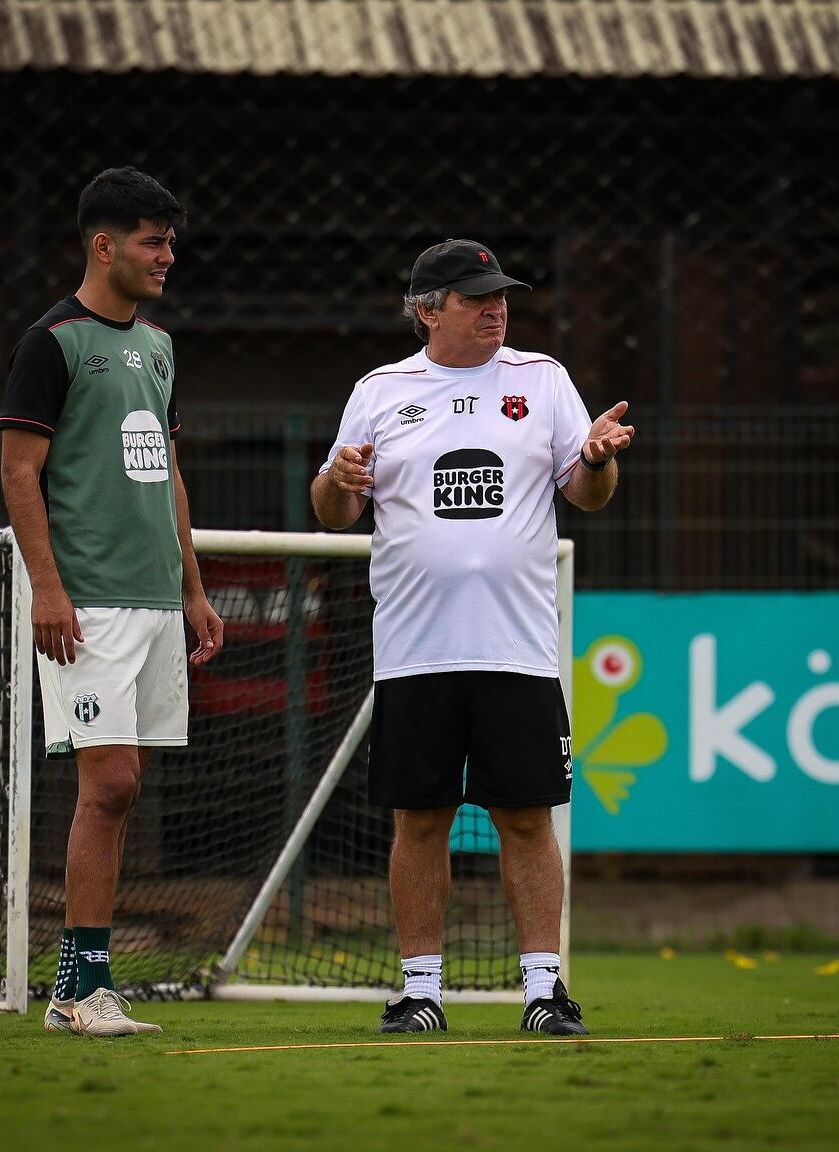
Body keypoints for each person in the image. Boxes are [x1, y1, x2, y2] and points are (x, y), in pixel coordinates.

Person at [311, 239, 632, 1035]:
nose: (496, 308)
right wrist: (334, 482)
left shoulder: (542, 378)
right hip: (414, 650)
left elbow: (587, 495)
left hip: (518, 648)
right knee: (419, 819)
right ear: (427, 309)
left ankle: (543, 993)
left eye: (501, 296)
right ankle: (420, 992)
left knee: (527, 817)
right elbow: (334, 509)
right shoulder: (380, 391)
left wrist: (594, 459)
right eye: (475, 297)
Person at [0, 166, 224, 1037]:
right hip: (86, 601)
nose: (168, 255)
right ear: (104, 244)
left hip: (155, 603)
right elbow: (20, 472)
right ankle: (79, 986)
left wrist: (194, 587)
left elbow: (166, 469)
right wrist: (48, 589)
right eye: (152, 241)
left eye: (169, 240)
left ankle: (79, 989)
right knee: (111, 781)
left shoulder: (159, 348)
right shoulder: (51, 342)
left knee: (122, 793)